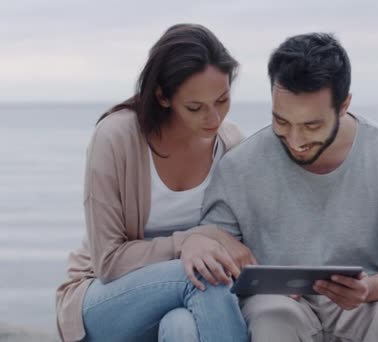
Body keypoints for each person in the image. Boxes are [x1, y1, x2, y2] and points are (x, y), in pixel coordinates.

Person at [199, 33, 378, 341]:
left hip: (366, 300)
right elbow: (212, 248)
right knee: (273, 318)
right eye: (281, 121)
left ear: (344, 106)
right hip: (277, 303)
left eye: (312, 125)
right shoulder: (239, 166)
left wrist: (369, 289)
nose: (295, 140)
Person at [55, 24, 250, 342]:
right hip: (103, 299)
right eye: (195, 107)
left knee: (181, 328)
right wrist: (188, 241)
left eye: (222, 100)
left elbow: (240, 239)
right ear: (162, 96)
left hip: (190, 298)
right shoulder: (116, 138)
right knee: (204, 274)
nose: (214, 119)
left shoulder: (231, 145)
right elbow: (107, 261)